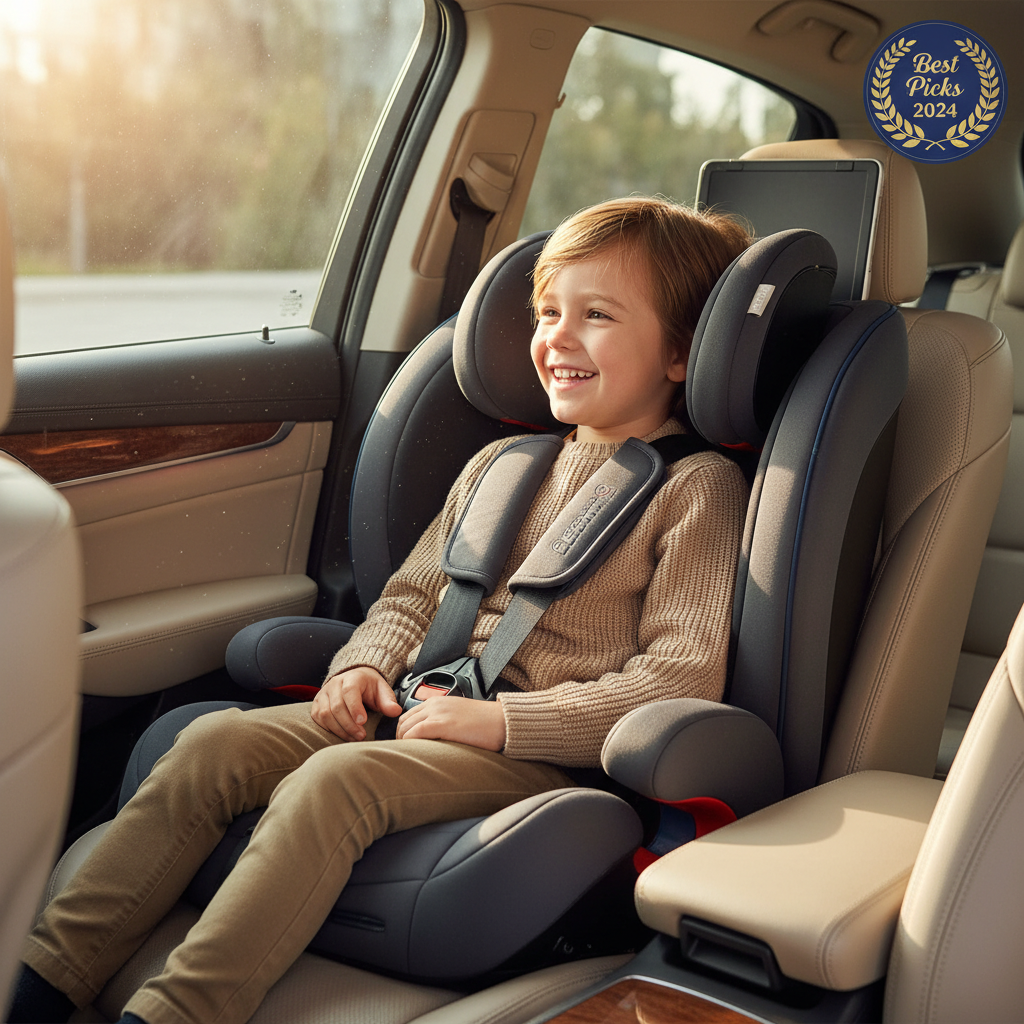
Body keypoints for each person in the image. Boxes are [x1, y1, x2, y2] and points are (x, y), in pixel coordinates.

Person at [10, 196, 751, 1024]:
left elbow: (678, 674)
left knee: (337, 782)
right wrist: (362, 664)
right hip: (420, 709)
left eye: (598, 315)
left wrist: (505, 724)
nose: (558, 338)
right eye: (548, 313)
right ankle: (40, 984)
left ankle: (178, 1012)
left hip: (541, 751)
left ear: (681, 355)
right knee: (210, 741)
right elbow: (408, 597)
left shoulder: (695, 489)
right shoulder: (501, 466)